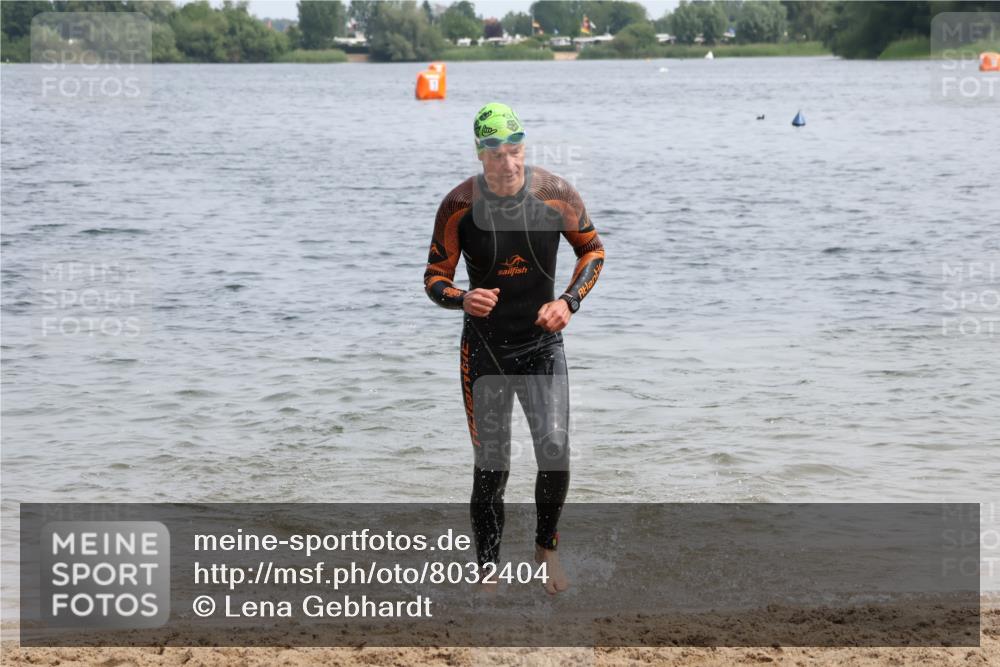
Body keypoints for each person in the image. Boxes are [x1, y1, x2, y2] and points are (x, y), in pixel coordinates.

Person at [423, 102, 604, 595]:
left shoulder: (555, 194)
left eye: (516, 150)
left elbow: (593, 250)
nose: (509, 164)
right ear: (480, 154)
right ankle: (488, 572)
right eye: (497, 153)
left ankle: (546, 550)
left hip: (542, 344)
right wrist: (463, 297)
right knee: (492, 464)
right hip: (485, 350)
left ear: (525, 147)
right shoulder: (459, 206)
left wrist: (569, 302)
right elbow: (434, 278)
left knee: (555, 452)